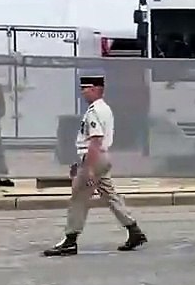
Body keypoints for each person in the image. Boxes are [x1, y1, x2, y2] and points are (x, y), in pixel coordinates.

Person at [43, 76, 146, 256]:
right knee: (110, 196)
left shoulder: (94, 112)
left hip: (95, 159)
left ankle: (70, 240)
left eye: (86, 88)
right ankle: (134, 230)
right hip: (101, 158)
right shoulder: (104, 109)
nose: (83, 92)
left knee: (78, 199)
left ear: (96, 89)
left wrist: (88, 169)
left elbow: (95, 141)